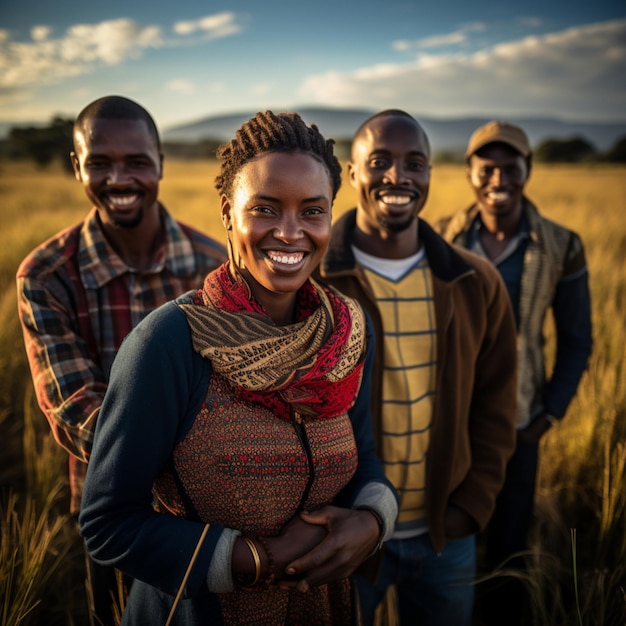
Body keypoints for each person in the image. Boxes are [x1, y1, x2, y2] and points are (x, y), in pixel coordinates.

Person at [78, 110, 398, 626]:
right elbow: (106, 523)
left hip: (324, 608)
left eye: (312, 211)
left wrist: (370, 522)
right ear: (229, 212)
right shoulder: (170, 343)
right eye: (266, 209)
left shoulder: (348, 333)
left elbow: (367, 456)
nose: (290, 234)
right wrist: (256, 558)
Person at [16, 95, 227, 626]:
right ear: (76, 167)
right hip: (111, 512)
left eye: (135, 161)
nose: (119, 178)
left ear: (160, 162)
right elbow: (72, 407)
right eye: (100, 163)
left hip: (210, 512)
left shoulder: (215, 265)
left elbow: (240, 383)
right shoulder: (45, 275)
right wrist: (180, 462)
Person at [316, 109, 518, 626]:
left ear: (430, 175)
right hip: (339, 536)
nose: (397, 177)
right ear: (353, 174)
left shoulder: (475, 281)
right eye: (379, 161)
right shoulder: (314, 280)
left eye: (415, 163)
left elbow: (496, 403)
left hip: (443, 537)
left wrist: (468, 507)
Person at [435, 120, 593, 624]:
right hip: (451, 424)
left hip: (521, 425)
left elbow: (577, 340)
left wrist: (548, 415)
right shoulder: (440, 237)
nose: (498, 179)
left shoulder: (561, 245)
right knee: (450, 543)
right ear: (470, 174)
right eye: (487, 169)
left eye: (510, 168)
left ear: (527, 172)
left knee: (510, 549)